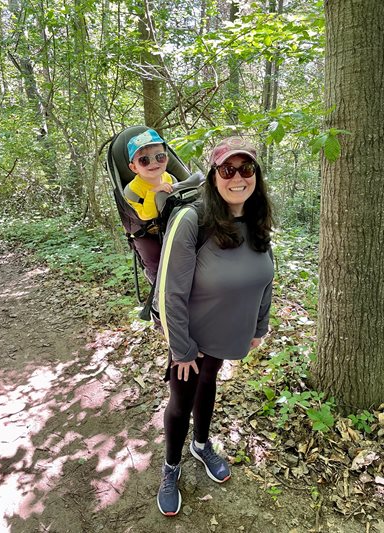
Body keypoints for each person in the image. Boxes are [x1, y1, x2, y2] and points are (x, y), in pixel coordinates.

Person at [153, 136, 274, 516]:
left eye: (246, 168)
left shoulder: (256, 220)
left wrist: (260, 324)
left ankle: (201, 445)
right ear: (213, 176)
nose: (238, 177)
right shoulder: (192, 221)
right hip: (190, 336)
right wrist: (182, 348)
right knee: (182, 398)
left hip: (227, 332)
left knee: (210, 384)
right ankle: (171, 467)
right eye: (228, 169)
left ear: (255, 175)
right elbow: (170, 291)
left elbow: (267, 276)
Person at [124, 129, 175, 282]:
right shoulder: (133, 190)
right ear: (134, 167)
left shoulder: (168, 178)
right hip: (145, 230)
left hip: (167, 223)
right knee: (154, 260)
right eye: (144, 160)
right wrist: (154, 192)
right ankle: (155, 282)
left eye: (159, 157)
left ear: (166, 159)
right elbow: (146, 215)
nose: (153, 163)